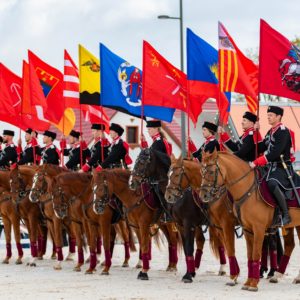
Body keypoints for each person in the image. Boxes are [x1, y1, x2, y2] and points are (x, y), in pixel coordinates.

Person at [250, 106, 300, 225]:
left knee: (272, 183)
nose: (268, 117)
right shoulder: (271, 131)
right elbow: (261, 147)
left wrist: (257, 162)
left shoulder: (282, 131)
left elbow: (275, 152)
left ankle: (285, 214)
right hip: (271, 167)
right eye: (268, 115)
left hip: (282, 167)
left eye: (271, 115)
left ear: (278, 117)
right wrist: (256, 131)